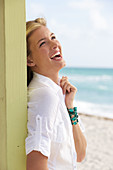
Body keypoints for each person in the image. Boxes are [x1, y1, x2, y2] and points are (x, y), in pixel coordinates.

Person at [25, 17, 87, 170]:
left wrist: (70, 107)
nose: (55, 44)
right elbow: (35, 165)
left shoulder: (58, 92)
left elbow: (80, 154)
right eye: (43, 43)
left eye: (53, 37)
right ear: (30, 60)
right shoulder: (45, 95)